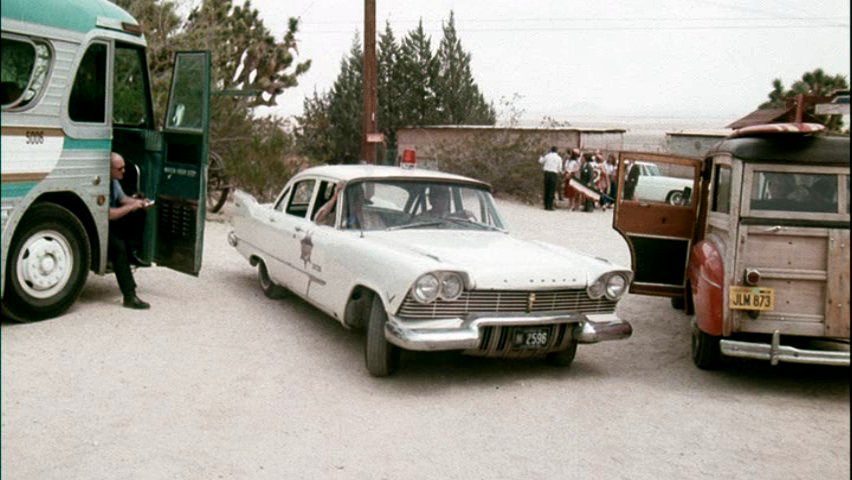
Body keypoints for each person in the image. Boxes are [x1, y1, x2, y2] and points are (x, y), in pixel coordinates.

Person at [109, 152, 153, 309]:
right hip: (105, 223)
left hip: (111, 222)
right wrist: (130, 207)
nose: (123, 172)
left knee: (138, 213)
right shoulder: (101, 184)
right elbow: (109, 214)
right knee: (117, 248)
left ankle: (133, 251)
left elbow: (122, 199)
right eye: (119, 169)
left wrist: (138, 202)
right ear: (109, 169)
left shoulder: (113, 181)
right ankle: (129, 295)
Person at [538, 146, 563, 210]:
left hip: (546, 173)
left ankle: (546, 205)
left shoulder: (547, 156)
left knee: (546, 189)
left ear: (551, 150)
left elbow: (541, 161)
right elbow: (559, 168)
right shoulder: (559, 158)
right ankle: (550, 205)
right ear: (557, 151)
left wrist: (541, 155)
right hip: (554, 174)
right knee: (552, 190)